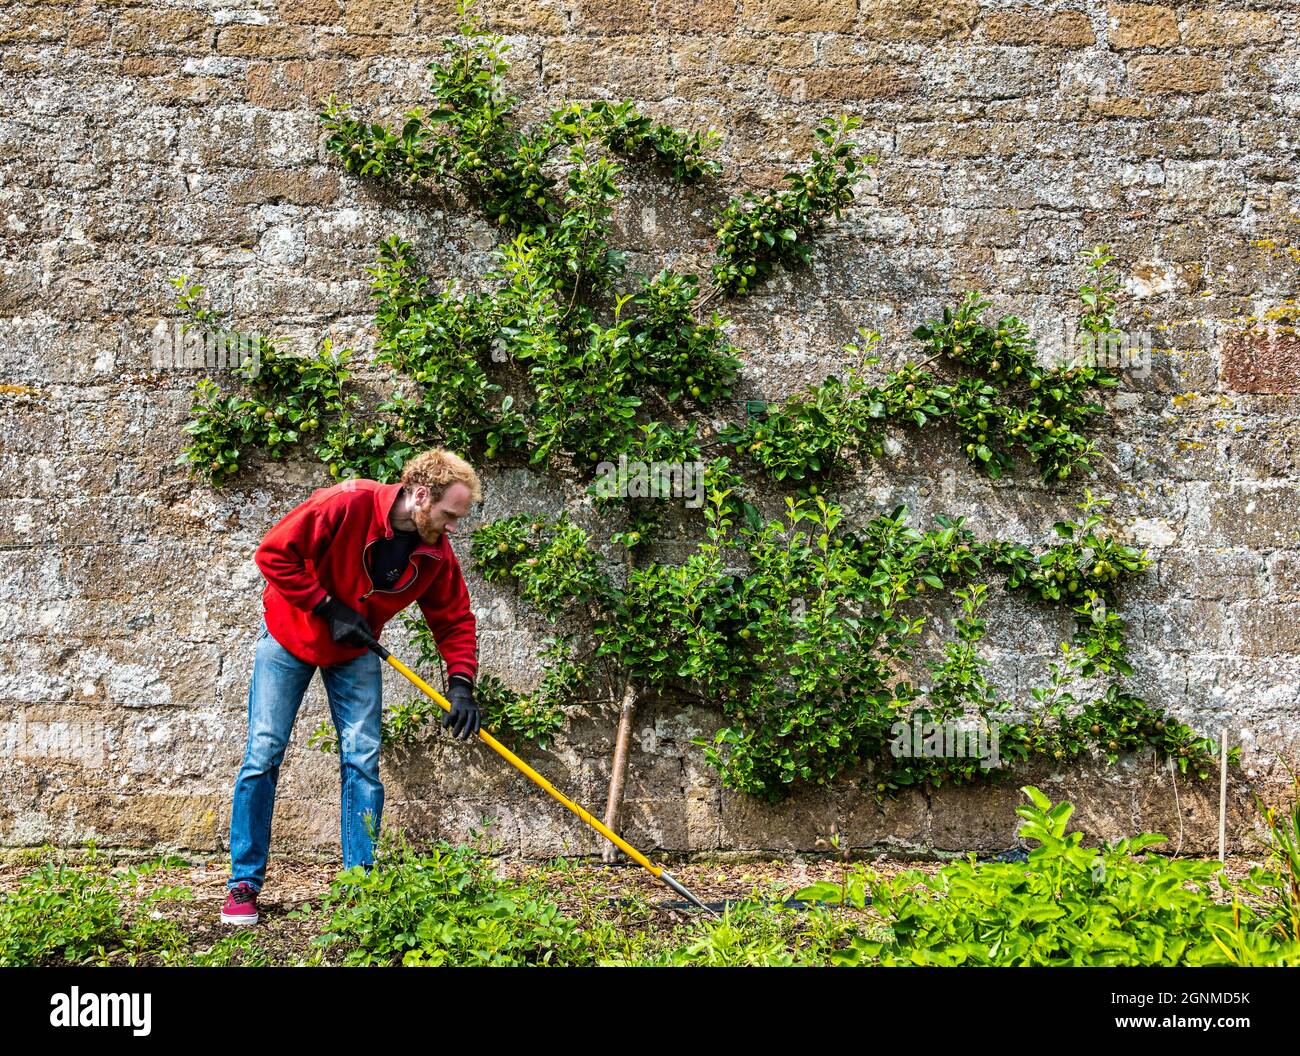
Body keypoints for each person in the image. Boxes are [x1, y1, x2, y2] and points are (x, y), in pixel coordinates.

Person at [220, 448, 483, 925]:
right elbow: (273, 553)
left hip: (355, 650)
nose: (452, 527)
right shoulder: (348, 502)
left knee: (362, 760)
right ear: (421, 495)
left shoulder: (435, 554)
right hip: (290, 635)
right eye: (448, 514)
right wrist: (327, 607)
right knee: (263, 752)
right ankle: (243, 883)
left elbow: (455, 620)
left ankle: (360, 885)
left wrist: (461, 683)